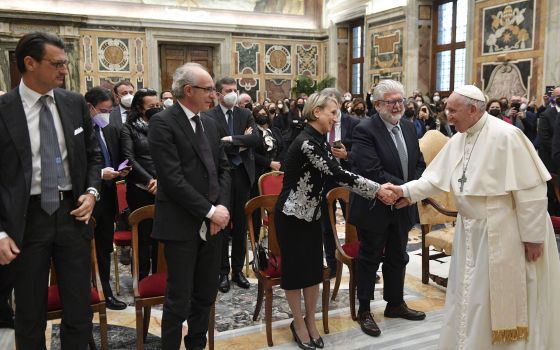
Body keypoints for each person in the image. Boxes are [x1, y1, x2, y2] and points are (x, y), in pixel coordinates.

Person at [388, 84, 560, 349]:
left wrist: (534, 236)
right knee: (470, 295)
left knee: (495, 298)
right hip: (470, 230)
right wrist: (406, 192)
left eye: (453, 110)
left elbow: (532, 192)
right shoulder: (460, 138)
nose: (448, 116)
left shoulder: (508, 136)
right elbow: (433, 178)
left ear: (472, 109)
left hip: (506, 231)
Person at [0, 32, 102, 348]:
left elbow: (93, 155)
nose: (64, 70)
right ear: (29, 63)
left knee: (79, 309)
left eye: (65, 63)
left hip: (72, 215)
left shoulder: (73, 103)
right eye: (56, 64)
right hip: (26, 221)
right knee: (30, 313)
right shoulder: (4, 109)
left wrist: (92, 192)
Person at [275, 92, 396, 350]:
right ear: (316, 112)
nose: (335, 117)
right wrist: (377, 189)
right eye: (332, 112)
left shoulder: (319, 140)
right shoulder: (307, 143)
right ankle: (298, 324)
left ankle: (311, 321)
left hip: (311, 215)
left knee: (313, 272)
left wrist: (375, 186)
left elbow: (340, 169)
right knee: (296, 274)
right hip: (292, 217)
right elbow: (339, 174)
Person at [149, 62, 231, 350]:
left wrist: (220, 209)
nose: (214, 95)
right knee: (178, 298)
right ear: (188, 90)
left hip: (214, 224)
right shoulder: (162, 122)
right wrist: (209, 211)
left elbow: (223, 170)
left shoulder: (210, 122)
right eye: (208, 90)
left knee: (206, 294)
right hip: (181, 224)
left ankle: (196, 344)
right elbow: (171, 179)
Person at [348, 79, 426, 338]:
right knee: (370, 259)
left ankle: (395, 303)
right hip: (375, 206)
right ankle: (365, 310)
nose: (398, 105)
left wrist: (410, 193)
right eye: (391, 101)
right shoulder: (364, 129)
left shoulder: (408, 126)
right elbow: (372, 171)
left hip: (403, 205)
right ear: (378, 104)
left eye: (400, 100)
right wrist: (406, 190)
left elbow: (419, 165)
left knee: (397, 255)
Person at [203, 77, 259, 292]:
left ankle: (237, 270)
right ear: (218, 94)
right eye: (228, 90)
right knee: (222, 224)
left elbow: (255, 139)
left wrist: (230, 140)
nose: (232, 94)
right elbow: (213, 144)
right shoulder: (209, 115)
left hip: (243, 176)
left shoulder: (245, 113)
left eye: (235, 90)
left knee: (241, 225)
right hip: (221, 177)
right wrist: (239, 142)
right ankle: (222, 272)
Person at [84, 86, 129, 310]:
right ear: (90, 107)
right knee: (84, 251)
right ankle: (87, 292)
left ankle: (105, 290)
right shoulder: (79, 131)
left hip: (108, 197)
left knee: (103, 248)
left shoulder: (109, 129)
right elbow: (72, 166)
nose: (107, 115)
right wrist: (100, 174)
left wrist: (121, 170)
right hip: (86, 200)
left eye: (111, 110)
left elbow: (116, 155)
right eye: (104, 110)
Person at [120, 88, 161, 280]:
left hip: (163, 187)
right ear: (139, 108)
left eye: (157, 105)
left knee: (160, 236)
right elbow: (129, 158)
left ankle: (159, 277)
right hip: (140, 188)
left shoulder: (162, 125)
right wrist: (150, 180)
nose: (155, 109)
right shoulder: (128, 128)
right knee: (143, 237)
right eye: (151, 106)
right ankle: (142, 279)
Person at [318, 88, 359, 276]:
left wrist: (347, 155)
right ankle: (333, 266)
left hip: (347, 177)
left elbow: (362, 154)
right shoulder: (319, 123)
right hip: (325, 179)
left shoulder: (354, 124)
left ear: (340, 104)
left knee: (354, 223)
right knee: (327, 224)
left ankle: (358, 263)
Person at [250, 105, 283, 239]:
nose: (262, 116)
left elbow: (282, 148)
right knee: (259, 202)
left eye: (264, 113)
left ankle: (276, 230)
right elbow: (252, 153)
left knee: (276, 201)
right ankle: (257, 233)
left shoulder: (274, 130)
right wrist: (269, 163)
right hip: (259, 171)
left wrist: (278, 164)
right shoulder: (253, 132)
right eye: (259, 114)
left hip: (276, 171)